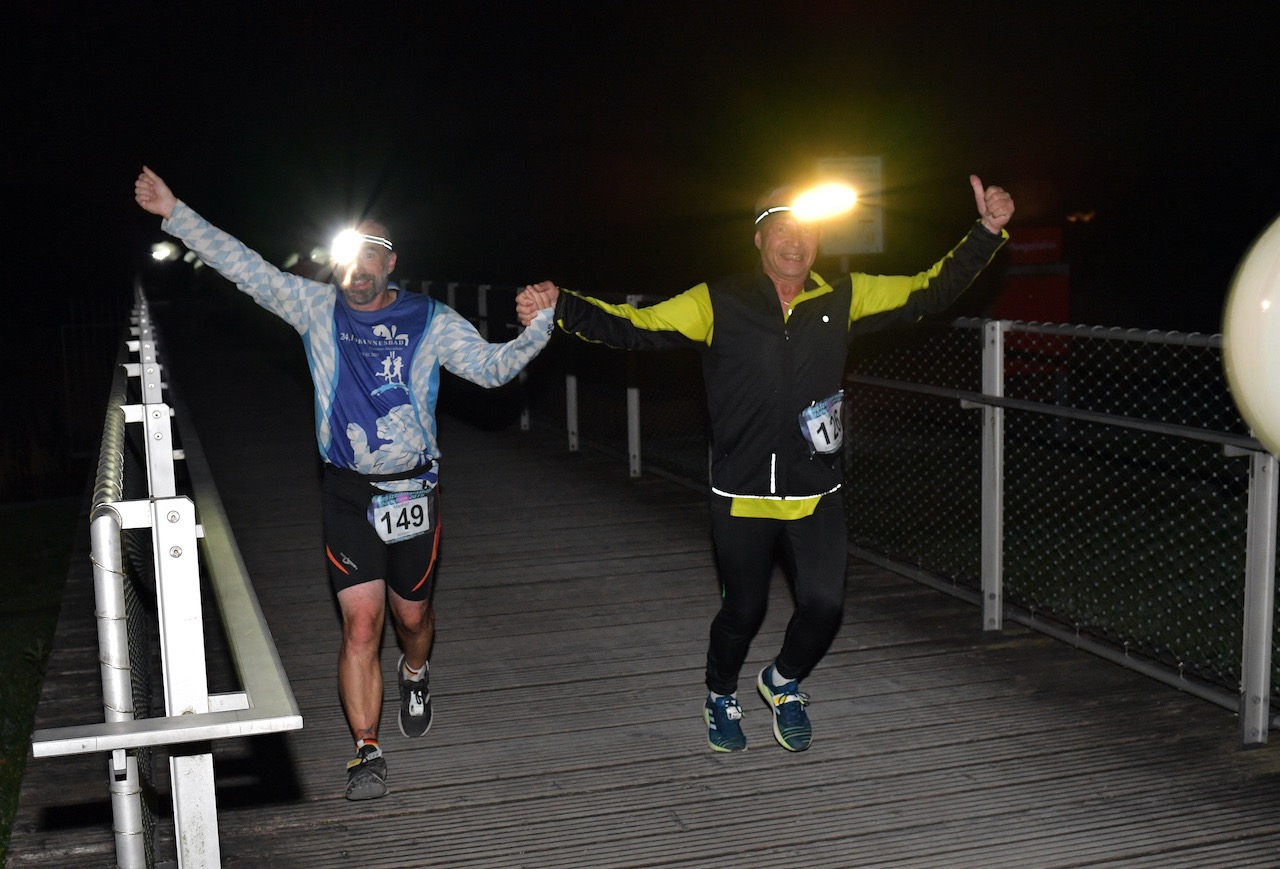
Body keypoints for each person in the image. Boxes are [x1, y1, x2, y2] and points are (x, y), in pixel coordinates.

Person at [515, 175, 1014, 753]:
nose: (795, 242)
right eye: (781, 231)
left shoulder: (843, 297)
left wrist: (986, 232)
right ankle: (720, 694)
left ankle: (782, 681)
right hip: (741, 490)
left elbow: (929, 290)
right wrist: (561, 307)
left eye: (805, 232)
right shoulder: (717, 301)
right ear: (759, 240)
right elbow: (638, 326)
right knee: (744, 609)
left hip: (816, 489)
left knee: (825, 606)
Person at [134, 166, 556, 799]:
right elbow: (243, 265)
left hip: (413, 490)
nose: (357, 268)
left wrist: (540, 326)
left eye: (371, 257)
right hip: (346, 490)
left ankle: (416, 671)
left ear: (391, 265)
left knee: (412, 619)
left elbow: (491, 371)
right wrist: (175, 213)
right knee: (361, 627)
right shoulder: (313, 307)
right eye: (347, 256)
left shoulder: (430, 318)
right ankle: (366, 749)